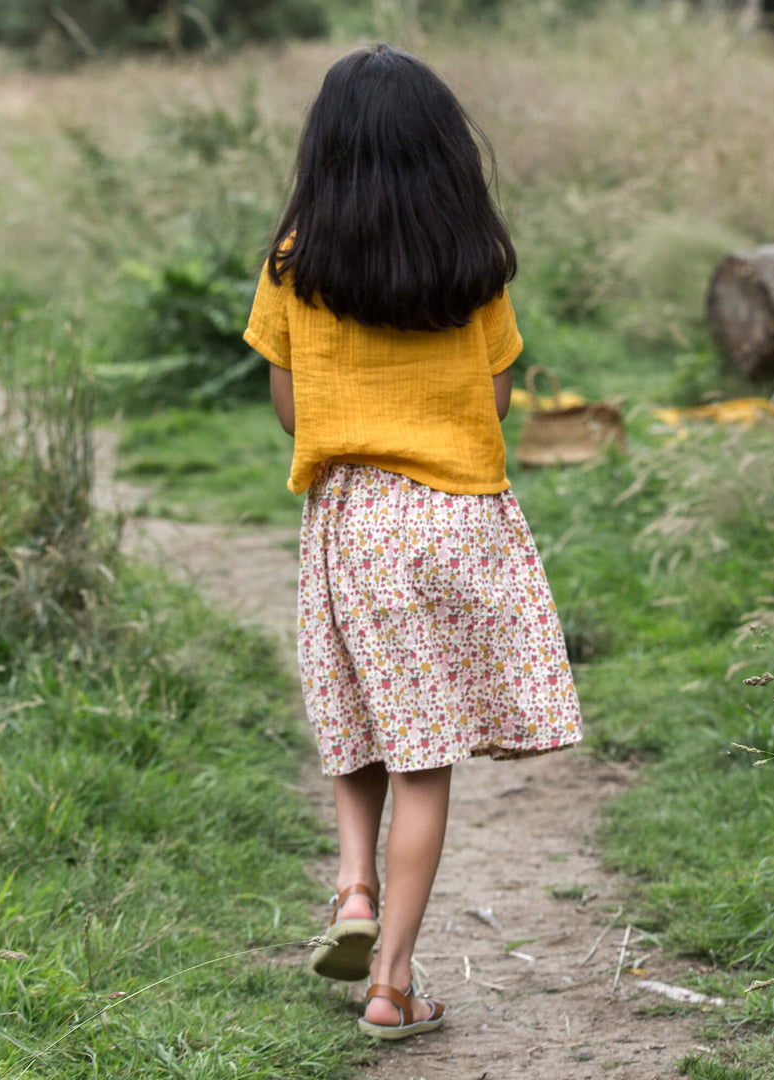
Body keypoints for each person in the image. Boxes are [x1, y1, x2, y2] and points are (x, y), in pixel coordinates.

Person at [243, 43, 582, 1041]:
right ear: (444, 152)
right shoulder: (472, 261)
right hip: (460, 515)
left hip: (357, 517)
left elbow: (288, 410)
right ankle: (389, 980)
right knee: (425, 756)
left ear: (326, 149)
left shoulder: (298, 261)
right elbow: (496, 398)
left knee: (355, 708)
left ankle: (356, 896)